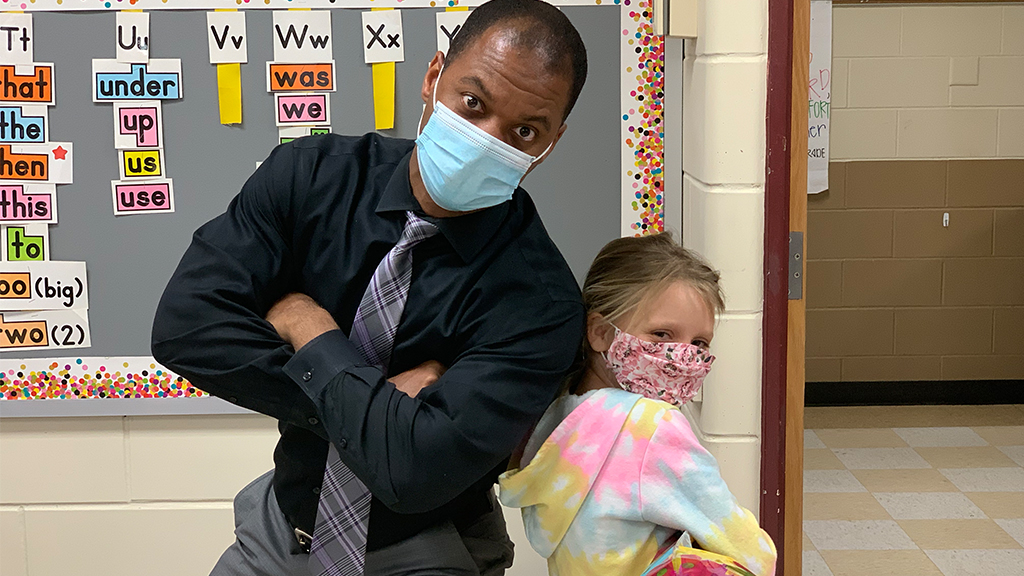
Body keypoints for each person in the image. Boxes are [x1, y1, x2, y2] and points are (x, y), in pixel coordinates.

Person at [151, 1, 589, 574]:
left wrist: (313, 333)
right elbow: (187, 329)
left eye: (524, 130)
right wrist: (381, 409)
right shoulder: (309, 177)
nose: (488, 138)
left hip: (430, 545)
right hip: (281, 525)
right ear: (433, 79)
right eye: (474, 103)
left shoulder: (542, 303)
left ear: (551, 141)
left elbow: (414, 472)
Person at [497, 233, 777, 576]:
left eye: (699, 342)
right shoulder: (652, 425)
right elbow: (753, 554)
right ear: (600, 332)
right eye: (662, 334)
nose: (683, 356)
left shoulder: (556, 416)